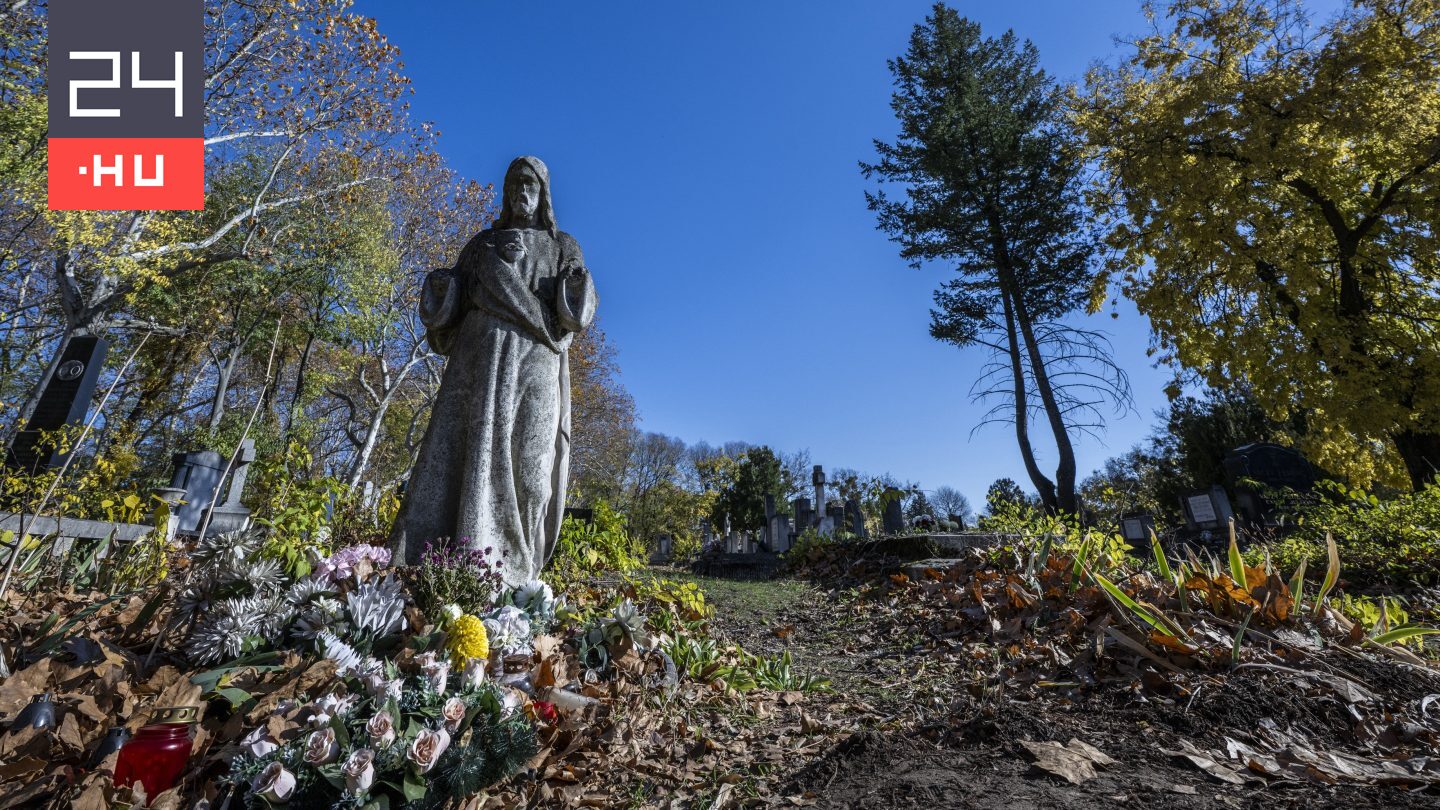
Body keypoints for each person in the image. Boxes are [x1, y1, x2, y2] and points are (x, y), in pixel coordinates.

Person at [390, 156, 597, 586]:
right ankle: (452, 566)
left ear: (543, 194)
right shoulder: (481, 246)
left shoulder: (563, 246)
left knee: (532, 467)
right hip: (479, 360)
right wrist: (442, 284)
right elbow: (453, 299)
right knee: (467, 452)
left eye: (530, 185)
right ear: (505, 192)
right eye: (514, 184)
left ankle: (519, 574)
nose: (521, 192)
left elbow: (574, 314)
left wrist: (576, 285)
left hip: (537, 360)